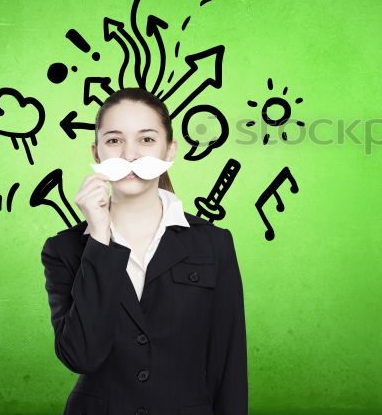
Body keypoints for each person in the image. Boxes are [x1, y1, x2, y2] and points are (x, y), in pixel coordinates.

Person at [40, 87, 247, 415]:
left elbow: (228, 361)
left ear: (169, 151)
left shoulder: (213, 243)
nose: (130, 155)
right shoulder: (64, 249)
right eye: (114, 140)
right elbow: (82, 356)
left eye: (146, 139)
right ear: (97, 153)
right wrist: (98, 237)